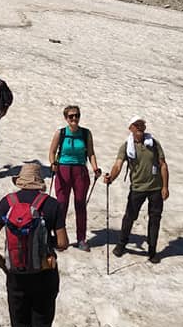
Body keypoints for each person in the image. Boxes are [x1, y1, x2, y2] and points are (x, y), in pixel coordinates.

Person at [0, 162, 68, 327]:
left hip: (16, 275)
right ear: (39, 182)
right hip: (45, 275)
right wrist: (47, 241)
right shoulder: (52, 204)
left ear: (20, 182)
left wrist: (1, 262)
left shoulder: (7, 202)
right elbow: (63, 243)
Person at [103, 116, 169, 264]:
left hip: (156, 188)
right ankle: (122, 243)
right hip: (137, 188)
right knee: (129, 217)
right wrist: (111, 177)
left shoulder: (154, 144)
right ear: (130, 128)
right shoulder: (126, 146)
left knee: (155, 219)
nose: (139, 127)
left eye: (142, 124)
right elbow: (118, 165)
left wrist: (165, 187)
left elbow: (163, 165)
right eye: (136, 125)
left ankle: (152, 250)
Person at [48, 105, 101, 252]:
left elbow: (90, 153)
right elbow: (52, 151)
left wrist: (95, 167)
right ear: (66, 118)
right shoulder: (61, 133)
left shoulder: (85, 133)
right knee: (62, 204)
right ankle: (60, 238)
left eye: (76, 115)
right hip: (63, 170)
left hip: (80, 170)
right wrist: (53, 163)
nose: (74, 118)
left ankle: (81, 239)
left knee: (80, 204)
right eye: (71, 116)